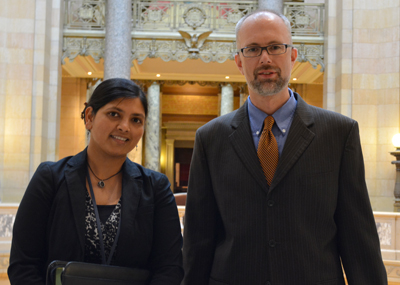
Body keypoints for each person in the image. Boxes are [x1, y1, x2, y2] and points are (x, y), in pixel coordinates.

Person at [182, 9, 387, 285]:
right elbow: (198, 241)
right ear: (239, 62)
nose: (265, 58)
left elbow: (358, 239)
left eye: (275, 47)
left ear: (293, 55)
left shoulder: (339, 133)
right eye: (253, 49)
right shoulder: (210, 138)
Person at [8, 78, 183, 285]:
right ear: (89, 117)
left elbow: (169, 267)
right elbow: (23, 265)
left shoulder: (156, 187)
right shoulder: (50, 179)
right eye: (114, 114)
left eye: (136, 120)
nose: (125, 127)